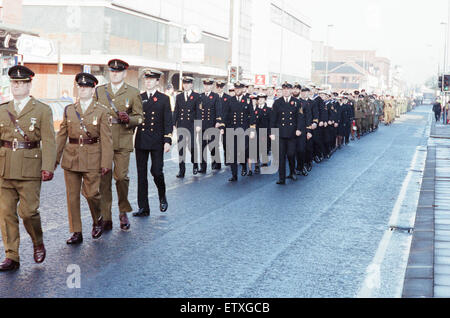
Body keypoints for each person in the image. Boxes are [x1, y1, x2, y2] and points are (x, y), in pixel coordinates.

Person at [0, 65, 56, 271]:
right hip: (4, 168)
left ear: (29, 85)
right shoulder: (3, 109)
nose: (17, 86)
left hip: (30, 169)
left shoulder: (41, 110)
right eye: (14, 82)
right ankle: (11, 256)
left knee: (28, 213)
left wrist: (48, 166)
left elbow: (49, 141)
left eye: (21, 83)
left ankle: (37, 241)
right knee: (6, 214)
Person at [55, 73, 113, 245]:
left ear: (92, 89)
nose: (83, 90)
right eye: (80, 87)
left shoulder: (101, 111)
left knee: (92, 194)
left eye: (86, 87)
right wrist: (53, 160)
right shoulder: (70, 110)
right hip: (71, 157)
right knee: (72, 197)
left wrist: (106, 163)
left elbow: (107, 140)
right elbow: (61, 137)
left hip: (93, 157)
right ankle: (76, 231)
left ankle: (98, 219)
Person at [94, 59, 144, 232]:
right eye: (112, 71)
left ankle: (123, 211)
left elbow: (140, 117)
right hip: (103, 141)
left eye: (118, 71)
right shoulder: (100, 91)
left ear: (124, 73)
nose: (114, 74)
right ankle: (106, 217)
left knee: (121, 178)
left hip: (122, 139)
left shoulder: (132, 92)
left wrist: (129, 119)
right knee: (104, 180)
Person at [133, 69, 173, 217]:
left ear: (157, 81)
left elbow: (168, 121)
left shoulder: (163, 99)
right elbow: (134, 119)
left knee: (157, 171)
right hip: (141, 140)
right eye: (146, 79)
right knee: (141, 175)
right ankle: (143, 207)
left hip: (157, 141)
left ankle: (162, 195)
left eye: (151, 79)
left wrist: (167, 140)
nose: (148, 82)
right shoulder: (139, 97)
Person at [270, 82, 303, 185]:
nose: (285, 91)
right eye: (283, 89)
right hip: (280, 133)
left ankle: (292, 171)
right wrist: (272, 132)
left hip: (292, 133)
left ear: (291, 90)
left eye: (287, 89)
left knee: (291, 154)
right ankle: (281, 178)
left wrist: (299, 129)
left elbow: (300, 117)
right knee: (281, 156)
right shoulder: (277, 102)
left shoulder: (297, 102)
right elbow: (273, 119)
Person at [222, 82, 256, 182]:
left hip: (244, 130)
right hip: (232, 129)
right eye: (235, 89)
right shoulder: (230, 100)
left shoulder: (248, 100)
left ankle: (244, 165)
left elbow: (252, 115)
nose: (237, 90)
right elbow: (225, 115)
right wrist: (223, 127)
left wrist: (252, 129)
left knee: (243, 150)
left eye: (239, 89)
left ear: (243, 89)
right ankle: (234, 175)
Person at [173, 76, 200, 178]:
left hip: (192, 125)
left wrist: (198, 124)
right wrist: (173, 124)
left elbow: (199, 111)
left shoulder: (196, 96)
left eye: (188, 83)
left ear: (191, 85)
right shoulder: (179, 96)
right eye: (184, 83)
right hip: (181, 124)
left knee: (192, 146)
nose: (186, 85)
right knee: (181, 148)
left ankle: (195, 164)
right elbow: (176, 110)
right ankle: (181, 170)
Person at [197, 78, 223, 173]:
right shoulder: (200, 96)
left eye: (208, 85)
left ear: (212, 86)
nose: (206, 87)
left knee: (213, 146)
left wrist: (218, 121)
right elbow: (198, 111)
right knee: (202, 147)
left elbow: (218, 110)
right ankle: (203, 167)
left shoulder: (215, 96)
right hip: (202, 125)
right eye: (205, 85)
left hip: (212, 125)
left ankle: (216, 163)